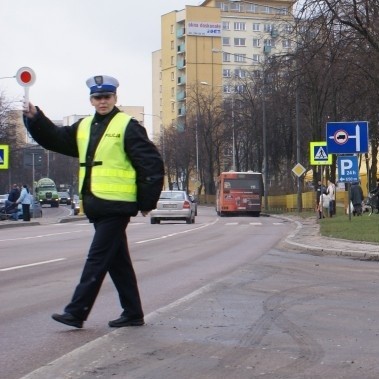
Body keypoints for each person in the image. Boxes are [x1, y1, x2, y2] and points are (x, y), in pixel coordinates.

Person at [23, 74, 164, 329]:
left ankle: (77, 311)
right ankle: (133, 312)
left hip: (117, 205)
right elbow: (55, 138)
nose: (102, 102)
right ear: (91, 100)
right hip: (96, 204)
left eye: (107, 97)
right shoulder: (84, 126)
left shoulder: (127, 126)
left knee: (97, 259)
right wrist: (35, 118)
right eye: (98, 97)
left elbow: (151, 164)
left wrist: (146, 202)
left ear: (115, 98)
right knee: (117, 261)